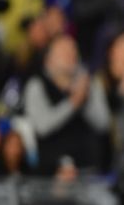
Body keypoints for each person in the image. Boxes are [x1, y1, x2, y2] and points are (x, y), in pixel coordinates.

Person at [22, 35, 110, 174]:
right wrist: (73, 103)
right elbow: (42, 126)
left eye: (74, 51)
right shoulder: (36, 85)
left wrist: (85, 100)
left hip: (88, 169)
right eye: (64, 52)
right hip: (51, 173)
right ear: (48, 59)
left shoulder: (89, 83)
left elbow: (103, 124)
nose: (71, 55)